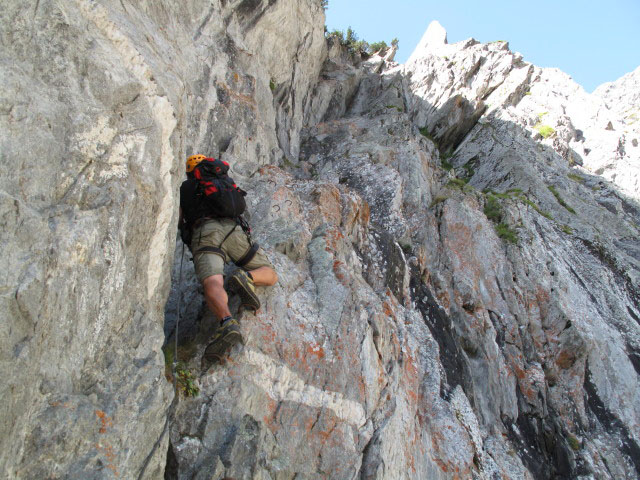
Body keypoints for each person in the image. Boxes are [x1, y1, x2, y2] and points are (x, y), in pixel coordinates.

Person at [179, 154, 277, 364]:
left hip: (206, 234)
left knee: (213, 281)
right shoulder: (222, 182)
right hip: (234, 231)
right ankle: (247, 277)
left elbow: (180, 221)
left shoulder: (186, 188)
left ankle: (227, 322)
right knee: (270, 273)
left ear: (190, 172)